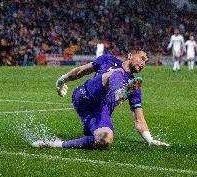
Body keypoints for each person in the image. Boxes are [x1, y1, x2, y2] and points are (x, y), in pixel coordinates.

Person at [32, 50, 169, 149]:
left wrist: (150, 140)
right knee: (115, 74)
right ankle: (118, 92)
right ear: (130, 55)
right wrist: (62, 80)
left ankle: (55, 144)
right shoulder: (109, 60)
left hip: (98, 113)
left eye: (146, 62)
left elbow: (139, 120)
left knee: (105, 139)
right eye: (142, 58)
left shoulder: (134, 86)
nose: (143, 63)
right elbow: (81, 71)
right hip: (85, 95)